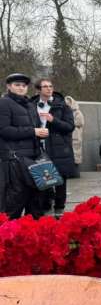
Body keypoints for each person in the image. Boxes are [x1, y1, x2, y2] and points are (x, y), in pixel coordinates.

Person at [0, 73, 45, 219]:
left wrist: (40, 133)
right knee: (14, 203)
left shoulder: (30, 105)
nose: (21, 88)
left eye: (24, 85)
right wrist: (33, 131)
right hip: (15, 161)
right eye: (17, 85)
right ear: (8, 86)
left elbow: (35, 130)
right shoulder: (4, 103)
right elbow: (4, 130)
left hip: (34, 160)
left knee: (36, 203)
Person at [31, 79, 77, 217]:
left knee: (60, 180)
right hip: (39, 146)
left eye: (51, 86)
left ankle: (59, 208)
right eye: (45, 86)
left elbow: (70, 127)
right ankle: (45, 204)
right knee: (42, 179)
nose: (49, 89)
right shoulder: (31, 105)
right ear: (38, 89)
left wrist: (53, 120)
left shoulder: (63, 106)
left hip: (59, 148)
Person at [65, 96, 84, 173]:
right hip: (68, 135)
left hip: (76, 134)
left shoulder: (77, 112)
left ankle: (75, 171)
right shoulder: (65, 112)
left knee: (76, 152)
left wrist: (70, 124)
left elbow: (80, 123)